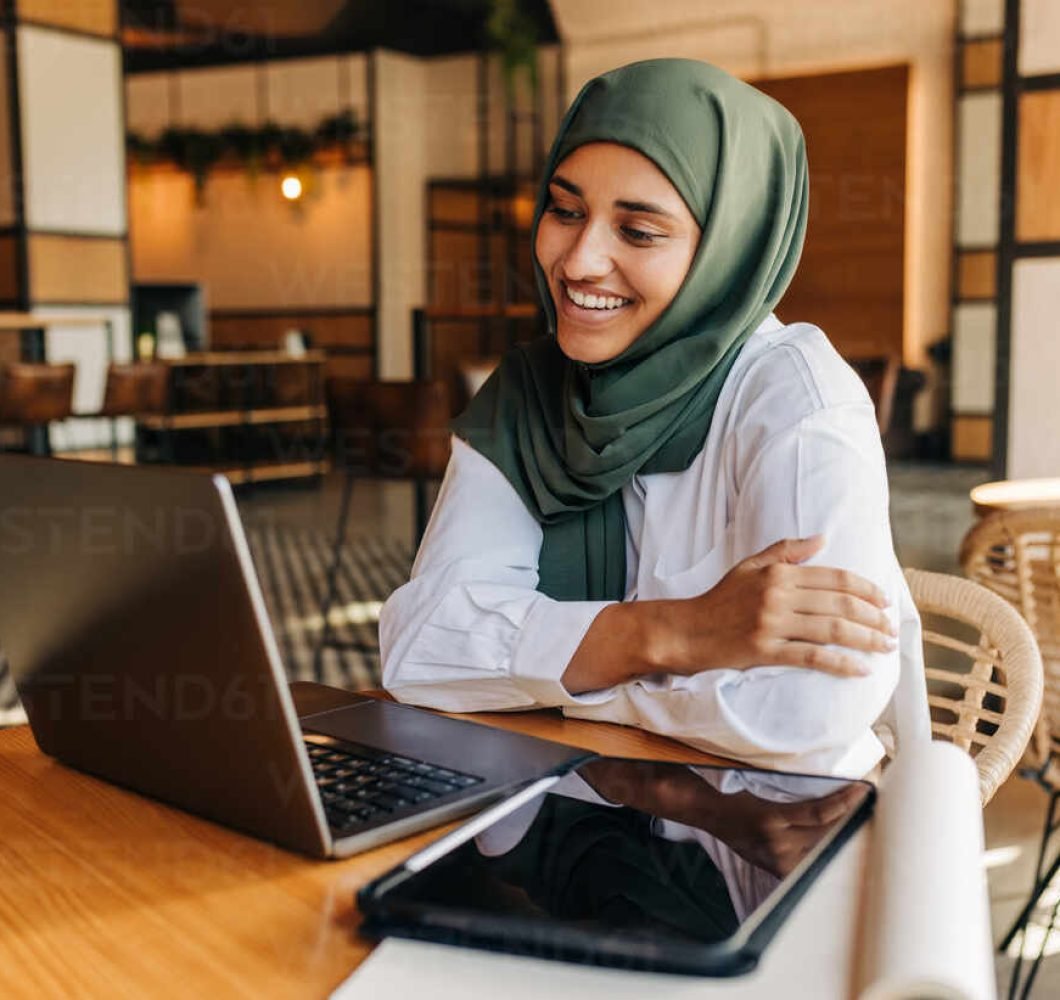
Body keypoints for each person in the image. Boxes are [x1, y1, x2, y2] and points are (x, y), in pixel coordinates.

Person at [380, 58, 927, 777]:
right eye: (565, 210)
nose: (579, 261)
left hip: (772, 842)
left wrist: (553, 682)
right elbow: (420, 647)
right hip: (558, 826)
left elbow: (806, 715)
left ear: (729, 250)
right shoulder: (530, 395)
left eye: (637, 231)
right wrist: (675, 634)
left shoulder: (799, 402)